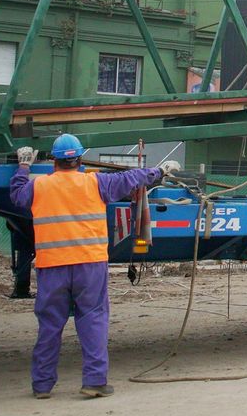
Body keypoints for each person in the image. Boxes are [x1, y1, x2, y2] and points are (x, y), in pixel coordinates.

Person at [10, 134, 177, 399]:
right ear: (78, 159)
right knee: (93, 319)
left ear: (54, 160)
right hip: (89, 264)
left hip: (52, 267)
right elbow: (132, 179)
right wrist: (159, 171)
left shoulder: (39, 186)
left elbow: (18, 196)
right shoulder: (97, 182)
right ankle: (94, 382)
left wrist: (23, 166)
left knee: (50, 325)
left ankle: (42, 386)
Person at [5, 218, 35, 299]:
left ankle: (21, 290)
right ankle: (22, 290)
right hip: (31, 229)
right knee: (25, 255)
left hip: (23, 230)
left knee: (24, 256)